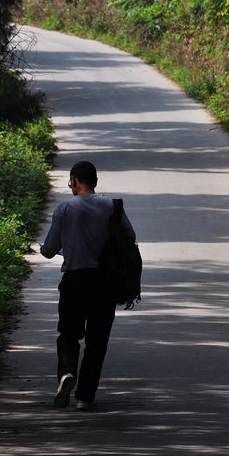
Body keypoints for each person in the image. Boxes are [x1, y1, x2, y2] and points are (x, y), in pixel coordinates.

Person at [40, 160, 136, 411]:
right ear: (95, 181)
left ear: (74, 179)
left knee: (69, 334)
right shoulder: (112, 206)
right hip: (105, 283)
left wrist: (64, 249)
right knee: (97, 341)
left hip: (74, 281)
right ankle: (85, 397)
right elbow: (130, 237)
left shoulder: (64, 209)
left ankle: (67, 373)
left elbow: (49, 250)